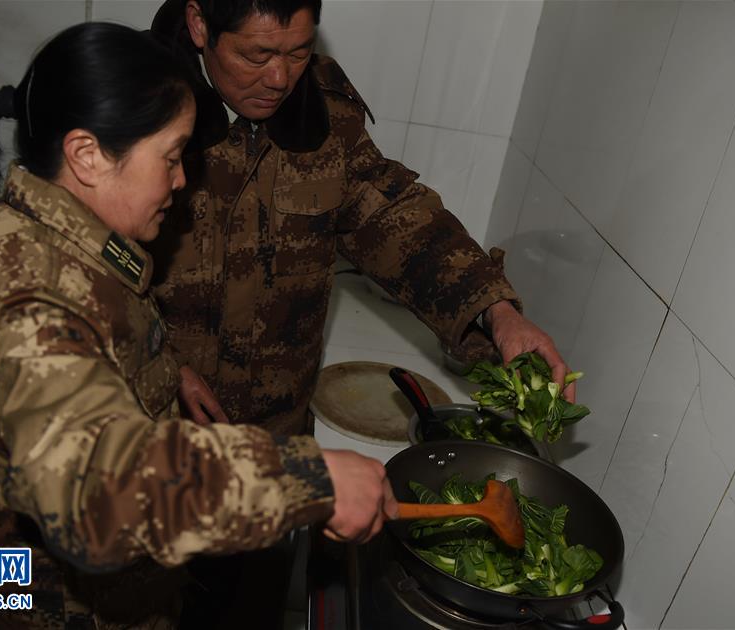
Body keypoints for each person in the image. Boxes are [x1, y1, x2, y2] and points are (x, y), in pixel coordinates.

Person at [0, 22, 396, 629]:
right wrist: (309, 477)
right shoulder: (28, 297)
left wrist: (162, 365)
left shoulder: (59, 236)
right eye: (171, 158)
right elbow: (94, 492)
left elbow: (93, 346)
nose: (181, 180)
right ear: (88, 156)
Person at [147, 0, 576, 438]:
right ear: (200, 25)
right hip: (156, 429)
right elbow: (89, 267)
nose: (279, 80)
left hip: (276, 430)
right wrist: (161, 360)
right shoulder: (134, 109)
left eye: (298, 53)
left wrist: (496, 311)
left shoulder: (325, 113)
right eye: (256, 56)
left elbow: (393, 220)